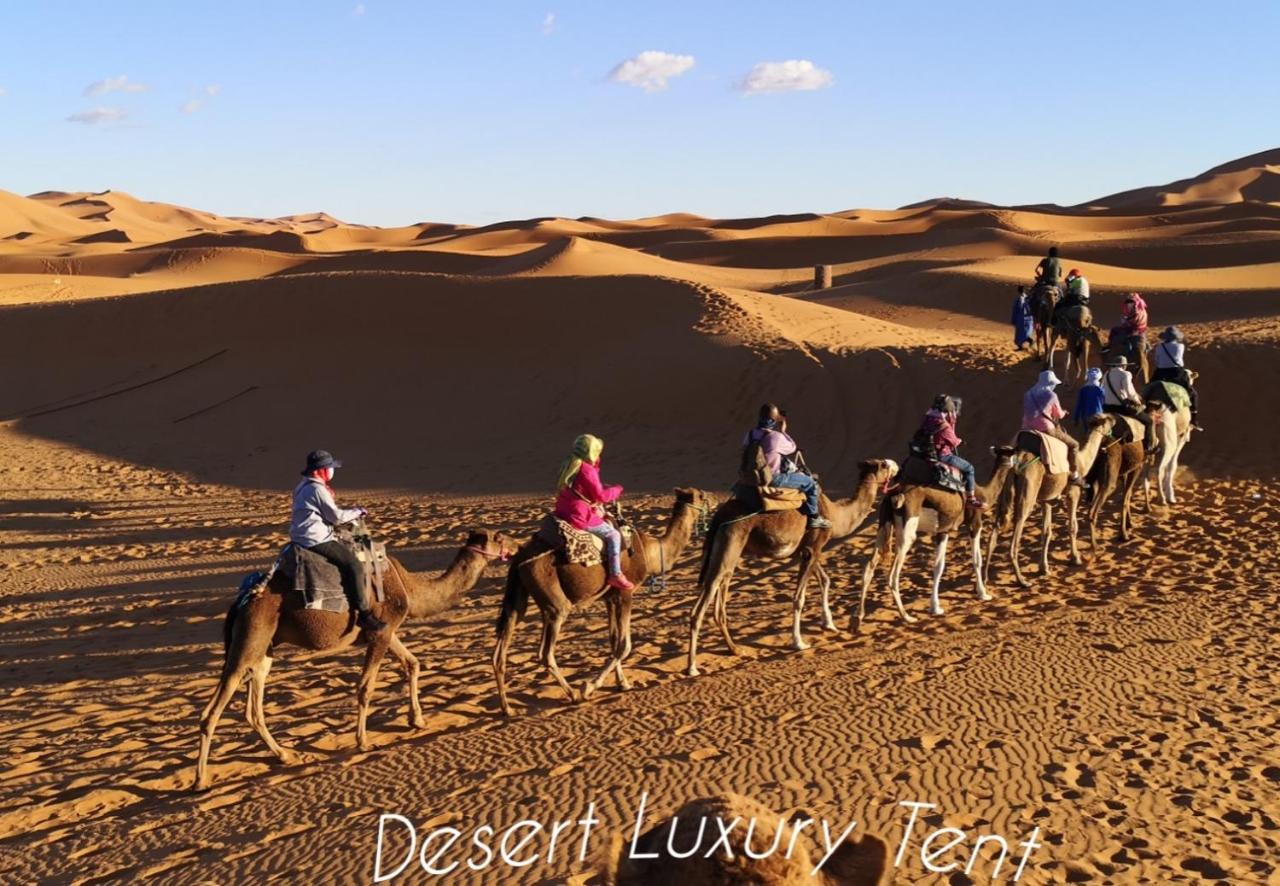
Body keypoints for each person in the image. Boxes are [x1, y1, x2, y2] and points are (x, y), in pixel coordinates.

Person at [290, 450, 385, 632]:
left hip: (300, 535)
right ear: (320, 471)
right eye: (329, 468)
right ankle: (364, 615)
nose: (332, 471)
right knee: (354, 565)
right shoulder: (317, 489)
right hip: (315, 538)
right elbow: (335, 517)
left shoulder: (303, 485)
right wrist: (358, 511)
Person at [554, 434, 634, 590]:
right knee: (614, 535)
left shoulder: (570, 462)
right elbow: (601, 496)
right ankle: (615, 575)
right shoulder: (587, 470)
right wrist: (617, 489)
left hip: (563, 509)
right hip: (579, 514)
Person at [743, 404, 832, 529]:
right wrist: (783, 432)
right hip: (773, 478)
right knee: (810, 483)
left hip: (751, 477)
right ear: (774, 421)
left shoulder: (750, 434)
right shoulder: (776, 437)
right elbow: (792, 448)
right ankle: (813, 517)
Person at [919, 395, 984, 509]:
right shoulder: (944, 426)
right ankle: (971, 499)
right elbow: (954, 442)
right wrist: (960, 440)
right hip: (942, 455)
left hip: (923, 453)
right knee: (969, 469)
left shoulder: (928, 418)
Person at [1021, 370, 1085, 483]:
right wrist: (1064, 412)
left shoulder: (1028, 393)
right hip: (1045, 428)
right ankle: (1074, 475)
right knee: (1074, 445)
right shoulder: (1051, 395)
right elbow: (1058, 415)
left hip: (1026, 427)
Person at [1100, 356, 1155, 451]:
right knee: (1149, 421)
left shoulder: (1107, 374)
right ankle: (1148, 447)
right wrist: (1137, 401)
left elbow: (1103, 389)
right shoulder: (1125, 374)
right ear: (1123, 365)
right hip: (1121, 408)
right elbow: (1130, 392)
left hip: (1107, 407)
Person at [1152, 326, 1201, 428]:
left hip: (1161, 372)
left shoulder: (1159, 347)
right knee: (1193, 394)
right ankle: (1194, 419)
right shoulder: (1180, 346)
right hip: (1176, 372)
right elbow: (1179, 360)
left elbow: (1156, 361)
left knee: (1149, 389)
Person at [1011, 285, 1035, 350]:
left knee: (1022, 333)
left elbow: (1020, 307)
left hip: (1022, 318)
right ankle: (1021, 346)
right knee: (1023, 333)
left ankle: (1030, 341)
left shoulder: (1021, 298)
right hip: (1027, 318)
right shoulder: (1027, 297)